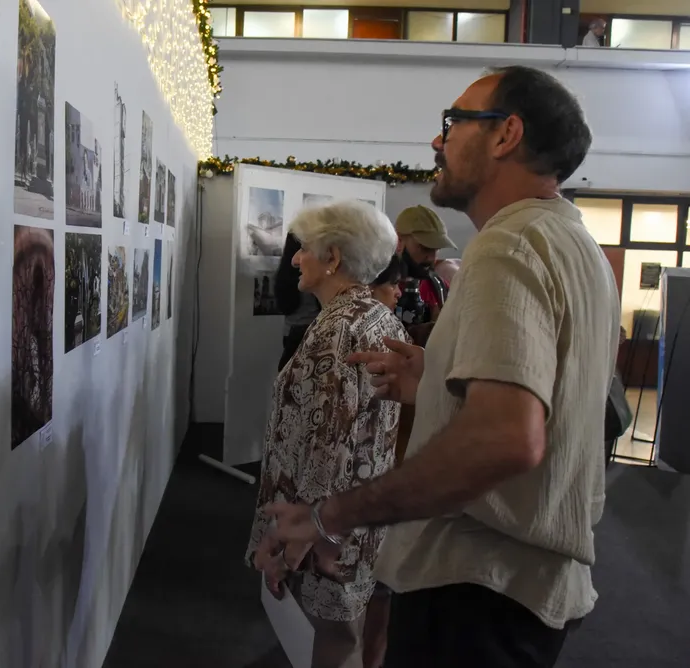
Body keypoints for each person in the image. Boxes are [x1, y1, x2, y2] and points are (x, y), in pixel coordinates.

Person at [265, 65, 619, 667]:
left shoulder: (508, 245)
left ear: (506, 134)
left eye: (453, 122)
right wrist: (435, 384)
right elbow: (550, 405)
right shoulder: (574, 243)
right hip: (523, 591)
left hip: (478, 589)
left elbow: (506, 439)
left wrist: (331, 517)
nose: (438, 140)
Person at [247, 200, 410, 668]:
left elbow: (328, 445)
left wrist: (299, 538)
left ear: (333, 258)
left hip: (330, 528)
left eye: (304, 250)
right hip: (359, 515)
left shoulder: (335, 331)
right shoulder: (378, 317)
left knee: (336, 643)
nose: (296, 259)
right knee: (347, 638)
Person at [394, 206, 456, 321]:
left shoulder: (439, 288)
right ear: (399, 241)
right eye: (425, 248)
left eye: (436, 249)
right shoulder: (376, 287)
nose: (432, 258)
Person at [274, 232, 321, 370]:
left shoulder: (284, 273)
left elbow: (284, 306)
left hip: (290, 333)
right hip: (311, 332)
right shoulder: (310, 274)